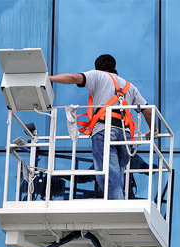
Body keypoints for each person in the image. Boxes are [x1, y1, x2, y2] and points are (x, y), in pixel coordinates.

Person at [49, 54, 154, 199]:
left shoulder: (97, 76)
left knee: (109, 177)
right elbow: (148, 111)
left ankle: (117, 207)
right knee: (118, 176)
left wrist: (49, 79)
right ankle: (120, 201)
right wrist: (153, 130)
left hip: (105, 130)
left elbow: (74, 78)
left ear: (97, 68)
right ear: (115, 67)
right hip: (125, 136)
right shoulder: (130, 87)